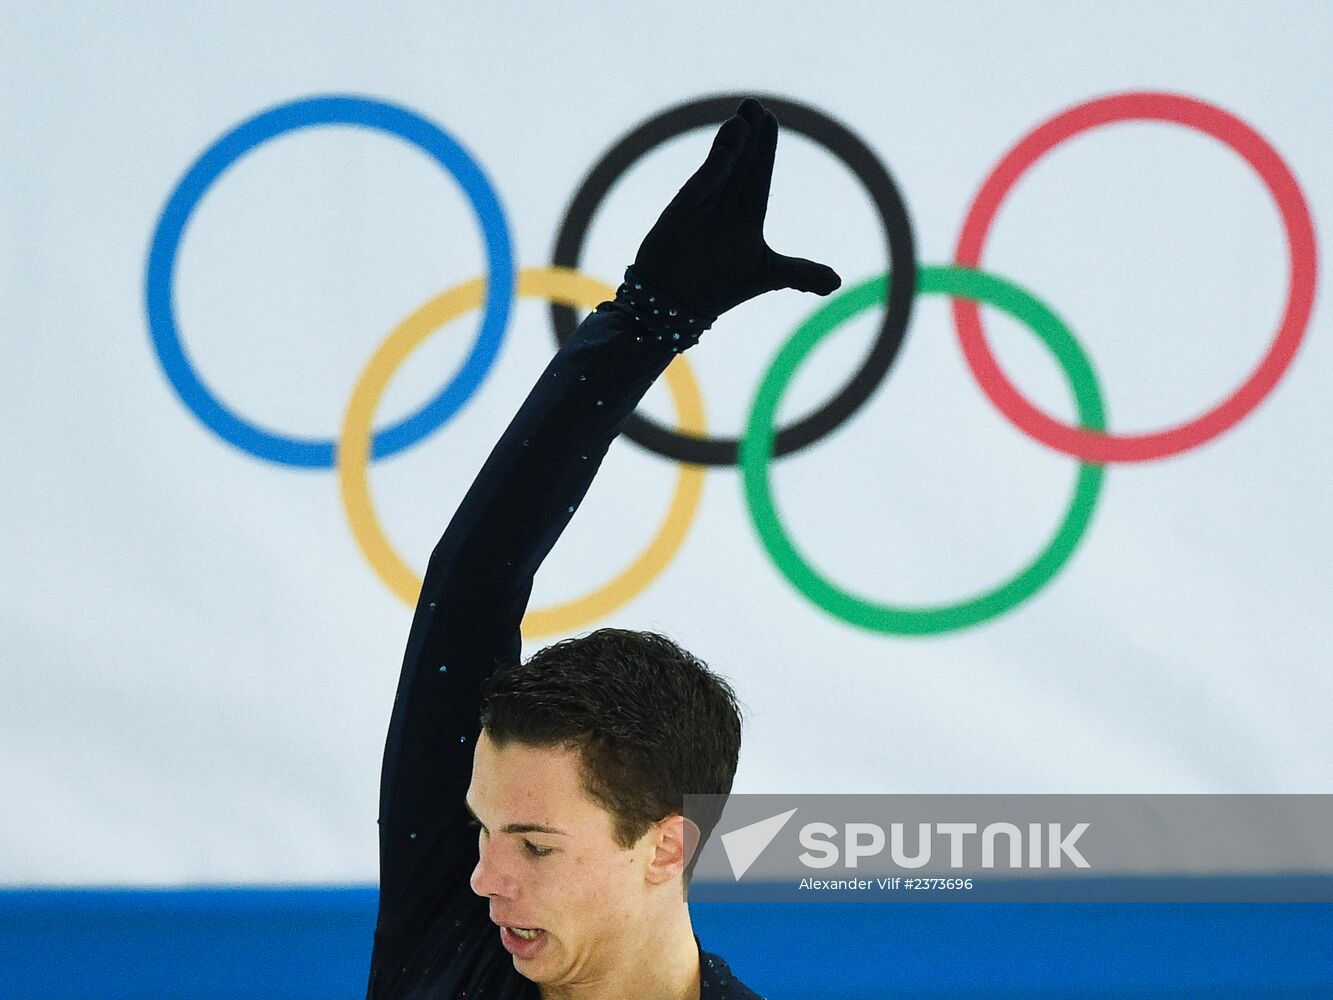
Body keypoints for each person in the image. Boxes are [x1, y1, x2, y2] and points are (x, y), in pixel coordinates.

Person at [366, 97, 841, 1000]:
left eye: (535, 846)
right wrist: (649, 321)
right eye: (481, 831)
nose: (483, 879)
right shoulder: (453, 937)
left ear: (667, 845)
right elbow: (471, 580)